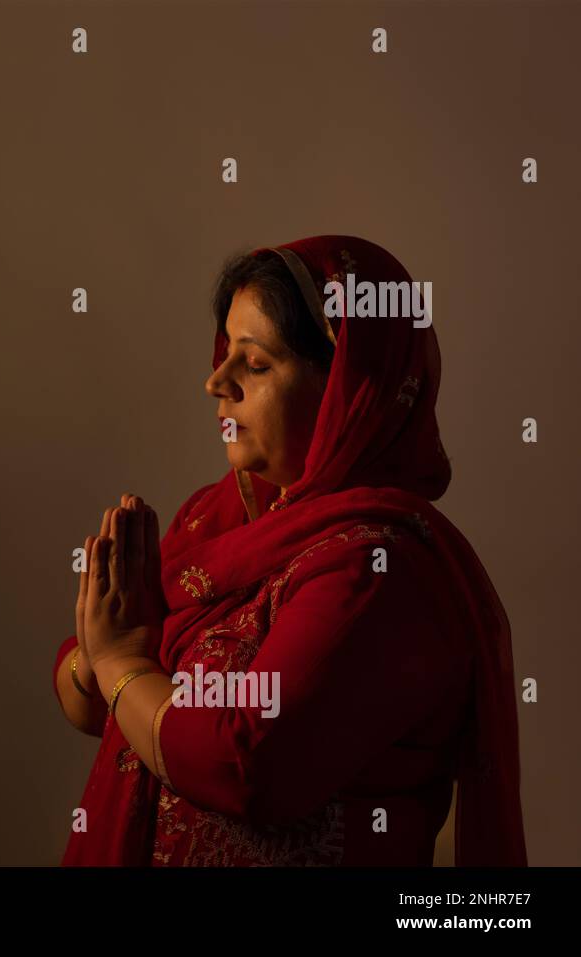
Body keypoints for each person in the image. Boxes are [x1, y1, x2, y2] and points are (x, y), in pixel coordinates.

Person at [51, 235, 527, 866]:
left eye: (256, 364)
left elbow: (247, 764)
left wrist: (117, 662)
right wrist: (104, 657)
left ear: (345, 391)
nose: (216, 382)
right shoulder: (217, 523)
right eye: (226, 353)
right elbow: (97, 698)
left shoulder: (378, 568)